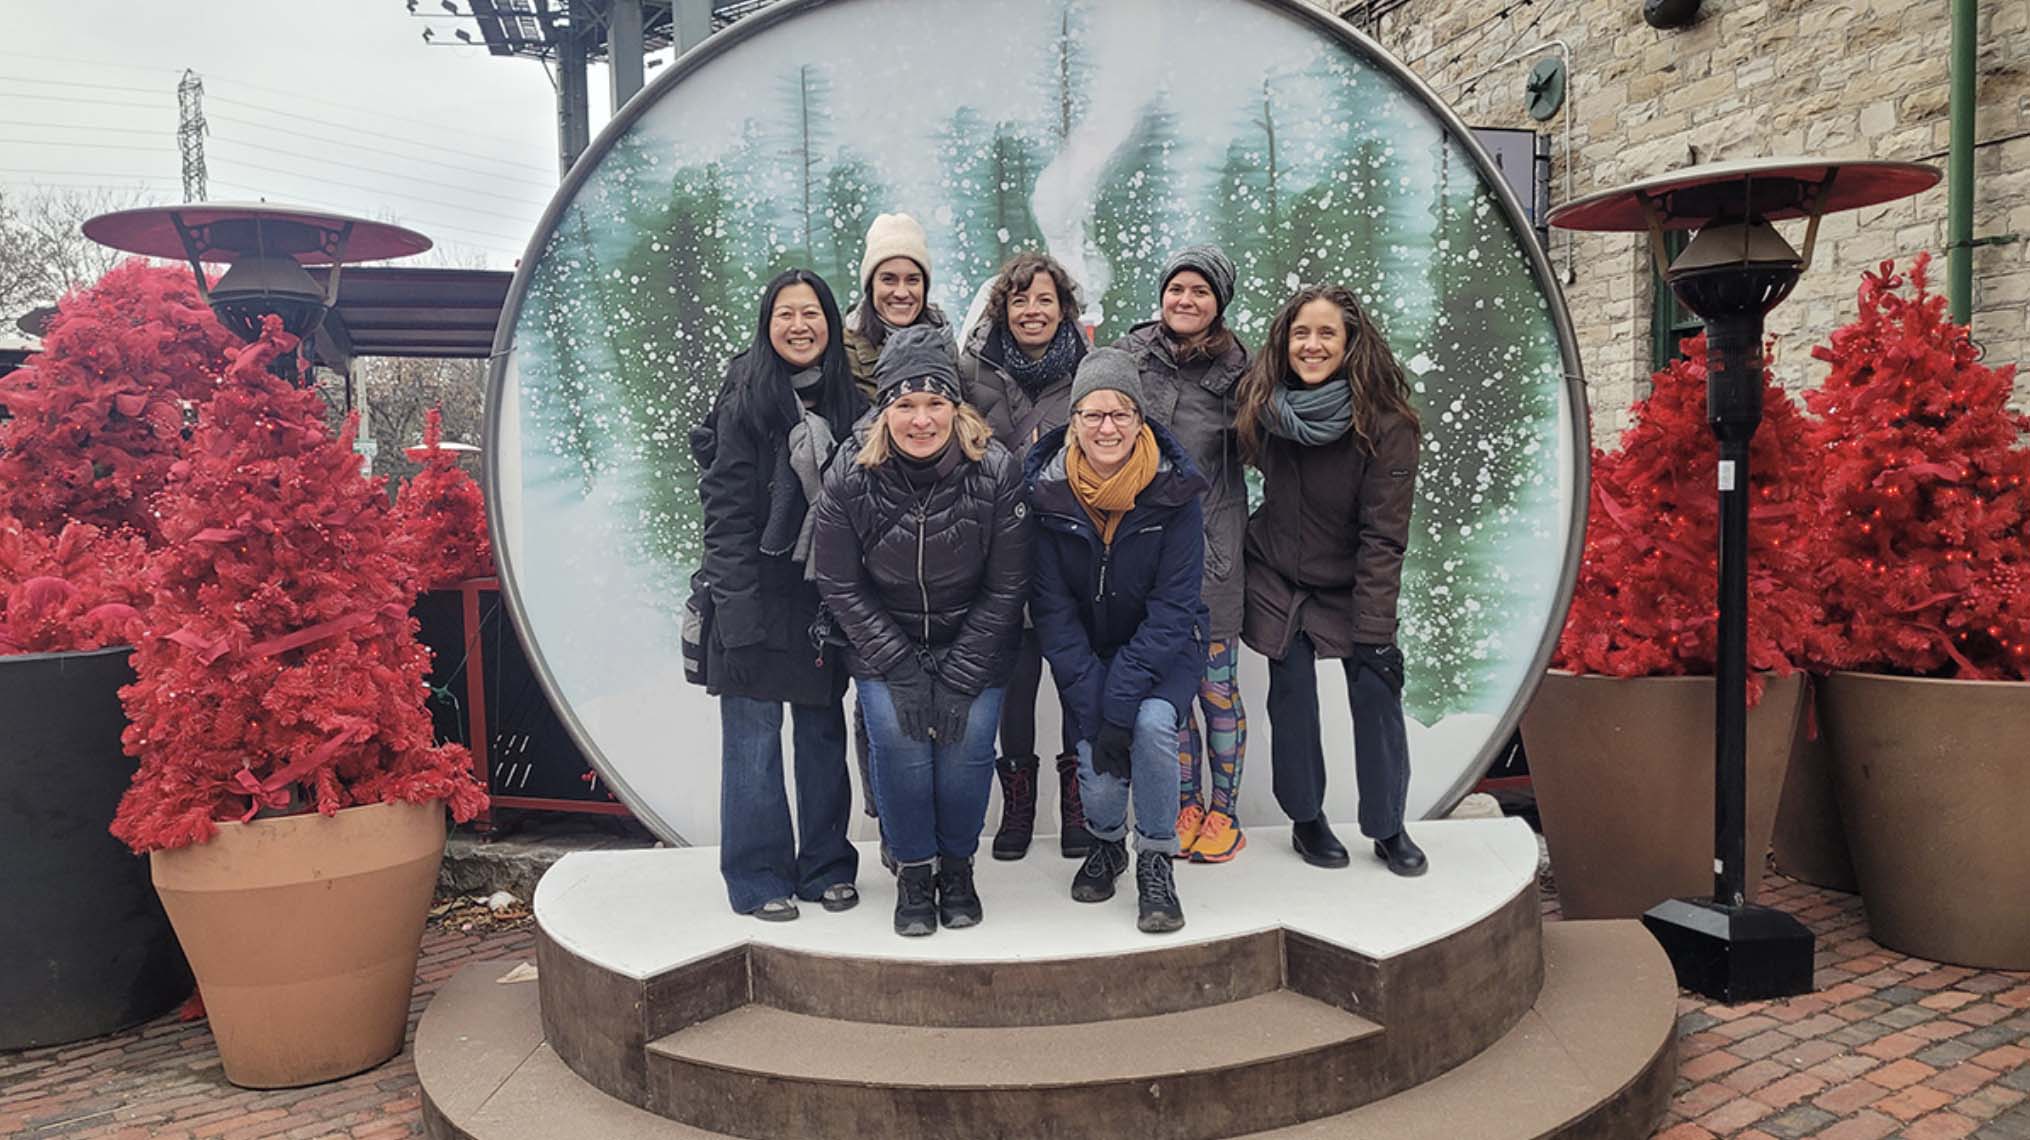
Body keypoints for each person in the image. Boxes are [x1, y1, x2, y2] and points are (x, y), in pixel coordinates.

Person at [811, 324, 1032, 937]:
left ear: (955, 407)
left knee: (966, 753)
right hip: (888, 644)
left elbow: (1008, 587)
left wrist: (960, 678)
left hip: (977, 641)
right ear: (885, 410)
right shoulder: (851, 475)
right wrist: (903, 670)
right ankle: (913, 871)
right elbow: (839, 582)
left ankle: (958, 868)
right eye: (905, 404)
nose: (922, 419)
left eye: (936, 402)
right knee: (898, 739)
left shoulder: (996, 471)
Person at [1236, 285, 1427, 878]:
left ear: (1350, 344)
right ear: (1283, 342)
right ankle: (1306, 819)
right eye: (1301, 333)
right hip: (1278, 573)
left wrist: (1374, 632)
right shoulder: (1265, 406)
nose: (1311, 345)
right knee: (1290, 694)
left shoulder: (1388, 424)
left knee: (1375, 691)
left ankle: (1389, 826)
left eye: (1326, 334)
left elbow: (1384, 537)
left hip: (1351, 579)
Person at [697, 269, 867, 921]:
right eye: (785, 314)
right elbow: (725, 514)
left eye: (812, 313)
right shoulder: (745, 398)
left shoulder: (847, 401)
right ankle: (756, 874)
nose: (800, 326)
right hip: (752, 593)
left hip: (819, 597)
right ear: (768, 327)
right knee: (753, 741)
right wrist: (735, 614)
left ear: (831, 321)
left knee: (820, 738)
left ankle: (826, 864)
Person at [1027, 348, 1209, 934]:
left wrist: (1121, 700)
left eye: (1121, 414)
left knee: (1152, 725)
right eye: (1093, 415)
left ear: (1140, 420)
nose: (1107, 428)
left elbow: (1175, 607)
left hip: (1164, 650)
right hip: (1087, 653)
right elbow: (1053, 613)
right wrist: (1098, 701)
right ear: (1073, 421)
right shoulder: (1047, 497)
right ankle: (1108, 844)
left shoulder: (1174, 493)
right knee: (1091, 743)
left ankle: (1156, 858)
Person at [1114, 245, 1252, 865]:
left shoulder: (1241, 370)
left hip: (1214, 553)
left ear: (1218, 301)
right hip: (1146, 556)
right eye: (1177, 289)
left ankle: (1226, 811)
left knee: (1215, 688)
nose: (1186, 301)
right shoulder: (1129, 356)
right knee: (1171, 689)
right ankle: (1186, 801)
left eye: (1200, 291)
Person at [959, 251, 1093, 862]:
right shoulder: (973, 369)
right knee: (1015, 680)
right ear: (1001, 309)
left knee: (1072, 678)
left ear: (1063, 307)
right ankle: (1017, 805)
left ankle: (1077, 802)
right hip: (999, 551)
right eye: (1020, 300)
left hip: (1072, 555)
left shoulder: (1093, 370)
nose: (1032, 311)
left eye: (1044, 299)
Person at [842, 212, 953, 398]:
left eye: (912, 280)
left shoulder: (944, 339)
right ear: (871, 286)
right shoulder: (845, 351)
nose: (901, 293)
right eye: (889, 280)